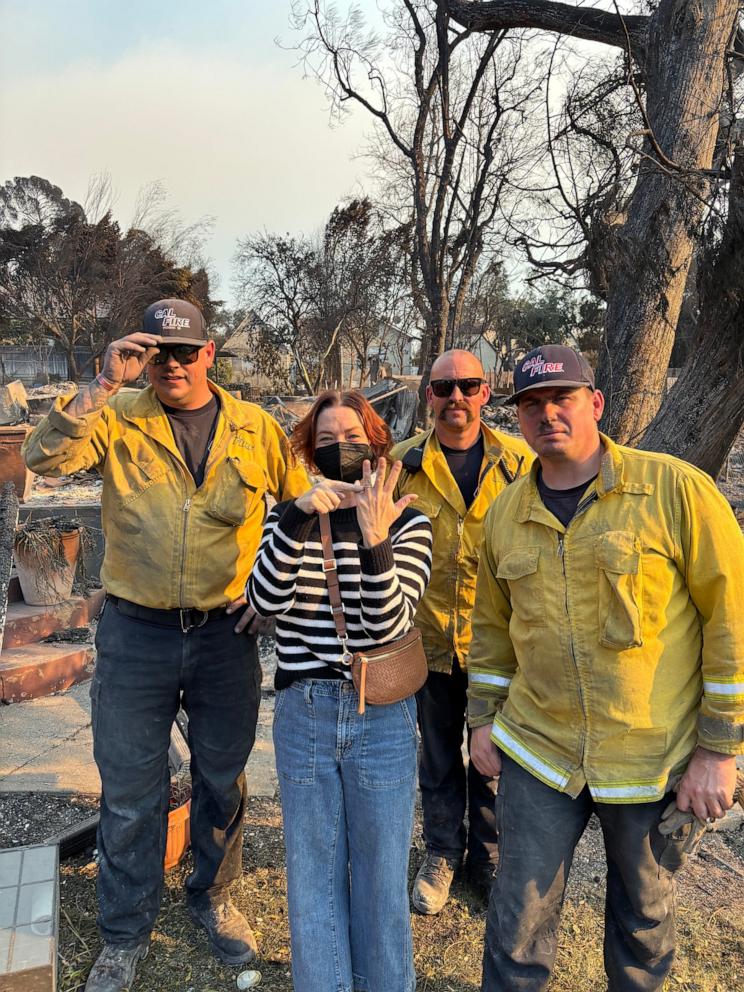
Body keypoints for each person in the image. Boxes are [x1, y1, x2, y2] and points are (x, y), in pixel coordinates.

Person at [23, 299, 309, 992]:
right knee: (129, 790)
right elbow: (43, 457)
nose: (172, 365)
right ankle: (124, 932)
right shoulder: (119, 416)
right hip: (136, 633)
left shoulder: (253, 427)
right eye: (158, 353)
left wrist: (273, 594)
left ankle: (214, 897)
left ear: (209, 354)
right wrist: (100, 383)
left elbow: (302, 509)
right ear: (143, 356)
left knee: (222, 779)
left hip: (224, 636)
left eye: (185, 352)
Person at [468, 344, 744, 991]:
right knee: (516, 924)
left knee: (643, 924)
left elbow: (731, 620)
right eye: (530, 405)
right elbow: (490, 632)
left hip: (651, 758)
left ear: (594, 403)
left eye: (560, 398)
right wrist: (483, 719)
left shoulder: (675, 490)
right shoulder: (506, 514)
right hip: (540, 751)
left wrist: (719, 750)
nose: (545, 415)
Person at [247, 389, 433, 992]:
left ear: (376, 443)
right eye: (324, 441)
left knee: (381, 875)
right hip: (305, 712)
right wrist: (298, 517)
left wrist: (376, 539)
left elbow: (387, 626)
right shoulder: (288, 518)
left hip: (381, 716)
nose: (340, 450)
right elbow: (263, 603)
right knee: (313, 872)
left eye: (351, 438)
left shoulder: (410, 519)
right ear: (308, 451)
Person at [391, 349, 533, 913]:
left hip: (501, 642)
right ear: (429, 394)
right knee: (440, 756)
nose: (457, 398)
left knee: (495, 754)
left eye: (468, 386)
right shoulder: (401, 466)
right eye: (444, 387)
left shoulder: (522, 464)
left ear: (487, 391)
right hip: (427, 641)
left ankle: (489, 856)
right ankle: (443, 854)